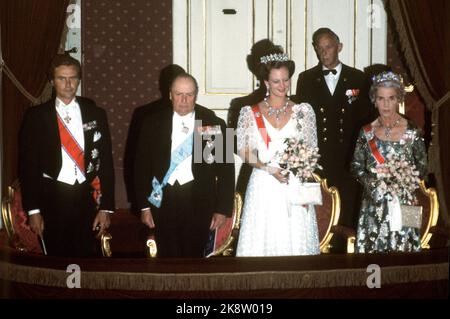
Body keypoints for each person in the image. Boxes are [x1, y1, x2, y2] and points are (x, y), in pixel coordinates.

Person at [19, 54, 115, 257]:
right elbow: (28, 167)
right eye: (62, 78)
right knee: (56, 260)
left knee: (86, 257)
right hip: (52, 196)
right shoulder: (36, 117)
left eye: (73, 78)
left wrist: (106, 208)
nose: (68, 84)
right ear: (52, 81)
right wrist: (33, 211)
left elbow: (105, 162)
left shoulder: (96, 113)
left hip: (85, 196)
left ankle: (79, 290)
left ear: (79, 80)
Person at [134, 73, 235, 258]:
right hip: (162, 201)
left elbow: (226, 172)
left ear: (196, 95)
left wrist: (222, 209)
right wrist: (143, 207)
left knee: (196, 259)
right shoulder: (152, 123)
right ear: (170, 94)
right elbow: (140, 168)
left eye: (189, 94)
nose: (184, 100)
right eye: (179, 94)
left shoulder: (213, 123)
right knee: (165, 258)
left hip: (200, 202)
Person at [295, 28, 376, 251]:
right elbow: (301, 121)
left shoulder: (358, 78)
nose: (324, 53)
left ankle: (345, 259)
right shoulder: (306, 79)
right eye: (319, 48)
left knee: (348, 209)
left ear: (339, 47)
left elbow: (367, 119)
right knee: (319, 211)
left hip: (349, 158)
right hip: (319, 158)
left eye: (328, 47)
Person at [235, 47, 320, 257]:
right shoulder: (249, 112)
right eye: (276, 81)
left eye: (286, 79)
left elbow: (311, 150)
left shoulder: (303, 111)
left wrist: (297, 168)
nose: (283, 86)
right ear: (265, 83)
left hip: (293, 185)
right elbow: (243, 150)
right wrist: (268, 168)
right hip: (263, 184)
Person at [351, 71, 427, 253]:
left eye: (391, 98)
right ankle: (373, 282)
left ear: (399, 99)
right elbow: (355, 167)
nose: (386, 104)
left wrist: (404, 179)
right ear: (374, 100)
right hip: (374, 203)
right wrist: (375, 183)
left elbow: (423, 167)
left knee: (408, 254)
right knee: (373, 261)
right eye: (381, 98)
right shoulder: (366, 132)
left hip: (406, 202)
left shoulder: (412, 131)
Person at [124, 64, 185, 212]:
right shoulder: (146, 115)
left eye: (189, 93)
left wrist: (223, 206)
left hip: (198, 199)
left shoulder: (211, 118)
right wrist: (140, 202)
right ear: (169, 90)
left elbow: (224, 165)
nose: (184, 98)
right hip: (158, 195)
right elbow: (136, 161)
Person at [228, 39, 284, 197]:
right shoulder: (243, 105)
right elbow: (234, 145)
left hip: (288, 177)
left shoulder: (296, 105)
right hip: (256, 176)